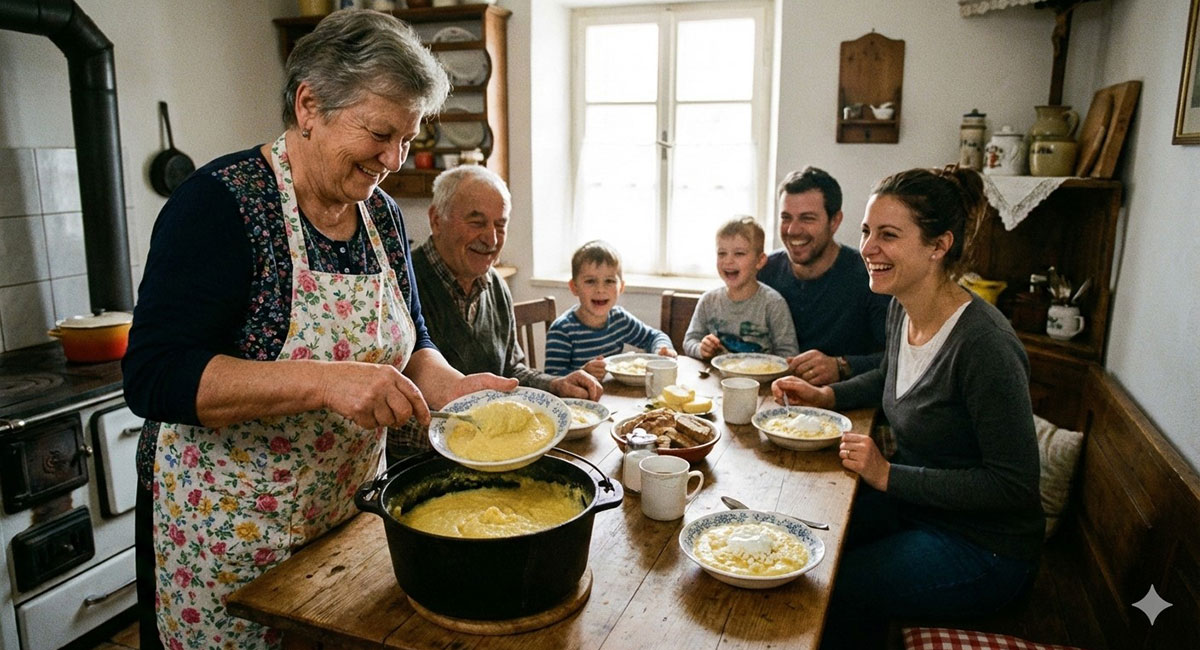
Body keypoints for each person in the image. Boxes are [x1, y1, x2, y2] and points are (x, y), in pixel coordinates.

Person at [122, 11, 516, 650]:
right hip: (231, 538)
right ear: (310, 105)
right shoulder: (219, 206)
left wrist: (449, 386)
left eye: (406, 139)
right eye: (380, 133)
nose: (393, 159)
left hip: (343, 521)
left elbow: (411, 336)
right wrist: (327, 382)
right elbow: (153, 376)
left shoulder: (380, 215)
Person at [772, 166, 1043, 648]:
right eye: (867, 231)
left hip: (983, 548)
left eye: (888, 235)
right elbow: (890, 377)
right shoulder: (902, 304)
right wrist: (827, 396)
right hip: (917, 509)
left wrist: (888, 475)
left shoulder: (985, 345)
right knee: (802, 536)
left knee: (833, 586)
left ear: (939, 245)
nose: (869, 249)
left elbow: (1013, 485)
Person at [387, 166, 603, 462]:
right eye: (477, 222)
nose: (491, 239)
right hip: (418, 467)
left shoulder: (496, 287)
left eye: (500, 225)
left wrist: (556, 385)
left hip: (494, 458)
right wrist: (462, 438)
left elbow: (511, 372)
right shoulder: (399, 284)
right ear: (437, 220)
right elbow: (390, 414)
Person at [758, 166, 889, 385]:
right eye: (786, 217)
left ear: (835, 221)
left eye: (807, 219)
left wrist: (842, 366)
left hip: (845, 408)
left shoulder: (869, 275)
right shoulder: (763, 270)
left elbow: (896, 358)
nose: (792, 230)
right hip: (770, 399)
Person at [544, 240, 676, 378]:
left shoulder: (619, 319)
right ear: (574, 287)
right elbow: (552, 379)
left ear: (621, 287)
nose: (600, 289)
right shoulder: (562, 330)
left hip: (612, 396)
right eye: (590, 281)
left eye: (609, 281)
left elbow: (654, 336)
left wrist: (661, 349)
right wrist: (583, 373)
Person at [683, 216, 798, 360]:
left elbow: (789, 353)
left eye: (739, 254)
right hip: (717, 379)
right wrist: (701, 349)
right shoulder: (708, 301)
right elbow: (690, 341)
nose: (728, 261)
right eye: (722, 253)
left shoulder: (773, 303)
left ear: (760, 260)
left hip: (760, 381)